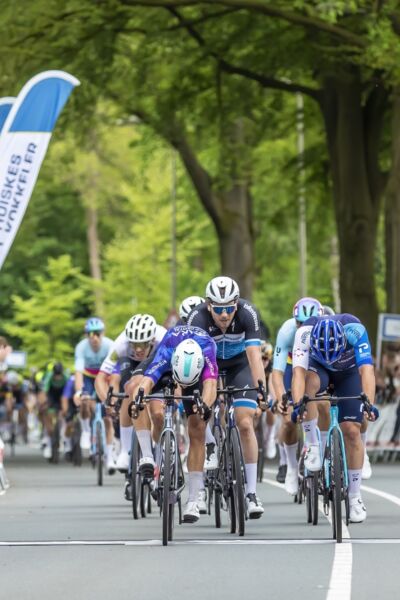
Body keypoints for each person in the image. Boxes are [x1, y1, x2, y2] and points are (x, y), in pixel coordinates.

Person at [187, 275, 266, 518]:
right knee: (198, 422)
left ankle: (251, 493)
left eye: (229, 308)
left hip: (238, 365)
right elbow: (195, 359)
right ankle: (198, 489)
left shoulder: (248, 312)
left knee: (244, 422)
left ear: (237, 303)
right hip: (206, 364)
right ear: (208, 305)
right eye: (218, 309)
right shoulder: (197, 318)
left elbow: (254, 356)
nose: (224, 314)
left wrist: (262, 390)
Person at [128, 324, 218, 523]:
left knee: (197, 427)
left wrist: (205, 406)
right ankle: (148, 456)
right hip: (168, 360)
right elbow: (147, 383)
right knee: (136, 392)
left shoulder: (208, 351)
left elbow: (211, 385)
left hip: (196, 366)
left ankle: (195, 498)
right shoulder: (167, 350)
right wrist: (137, 402)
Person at [291, 314, 377, 523]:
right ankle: (312, 445)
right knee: (309, 384)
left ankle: (355, 496)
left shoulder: (355, 330)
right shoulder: (304, 334)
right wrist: (297, 405)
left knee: (352, 431)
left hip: (348, 373)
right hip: (318, 369)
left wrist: (369, 404)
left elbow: (366, 371)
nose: (331, 358)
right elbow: (298, 374)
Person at [95, 313, 166, 477]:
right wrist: (107, 400)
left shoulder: (162, 337)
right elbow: (100, 377)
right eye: (135, 344)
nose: (139, 349)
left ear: (151, 340)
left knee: (158, 413)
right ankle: (125, 451)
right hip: (132, 364)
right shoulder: (121, 344)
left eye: (142, 344)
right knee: (130, 388)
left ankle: (161, 446)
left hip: (158, 363)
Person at [271, 297, 323, 493]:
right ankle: (292, 468)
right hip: (293, 367)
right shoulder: (287, 331)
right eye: (300, 323)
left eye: (310, 323)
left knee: (324, 405)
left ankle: (325, 450)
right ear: (294, 321)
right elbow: (277, 372)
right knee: (287, 420)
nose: (305, 327)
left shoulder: (329, 326)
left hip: (317, 367)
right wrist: (280, 398)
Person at [74, 317, 113, 453]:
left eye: (97, 333)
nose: (94, 337)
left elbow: (114, 372)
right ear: (86, 335)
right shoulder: (81, 347)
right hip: (88, 377)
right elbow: (78, 372)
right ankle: (86, 430)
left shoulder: (110, 345)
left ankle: (110, 452)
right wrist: (78, 392)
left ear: (102, 333)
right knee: (84, 401)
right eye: (91, 334)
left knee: (109, 410)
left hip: (104, 376)